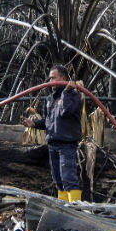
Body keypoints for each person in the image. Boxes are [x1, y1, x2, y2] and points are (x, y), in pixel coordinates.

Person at [22, 64, 82, 202]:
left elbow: (65, 111)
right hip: (52, 144)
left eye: (53, 78)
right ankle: (63, 208)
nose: (50, 82)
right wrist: (34, 124)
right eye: (49, 79)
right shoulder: (49, 99)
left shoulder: (72, 95)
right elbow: (48, 121)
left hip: (67, 145)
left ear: (63, 78)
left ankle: (75, 209)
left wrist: (66, 92)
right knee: (58, 180)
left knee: (68, 179)